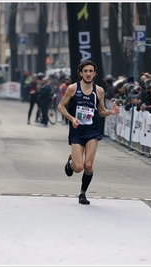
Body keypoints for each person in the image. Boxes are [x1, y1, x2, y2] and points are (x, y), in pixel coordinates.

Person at [57, 60, 120, 205]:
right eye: (85, 71)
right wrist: (72, 118)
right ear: (80, 73)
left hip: (92, 130)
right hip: (77, 131)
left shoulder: (99, 91)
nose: (88, 74)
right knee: (78, 167)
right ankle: (71, 161)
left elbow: (101, 111)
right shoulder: (72, 89)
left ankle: (83, 194)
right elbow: (61, 106)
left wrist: (110, 112)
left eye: (91, 71)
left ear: (95, 73)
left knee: (88, 166)